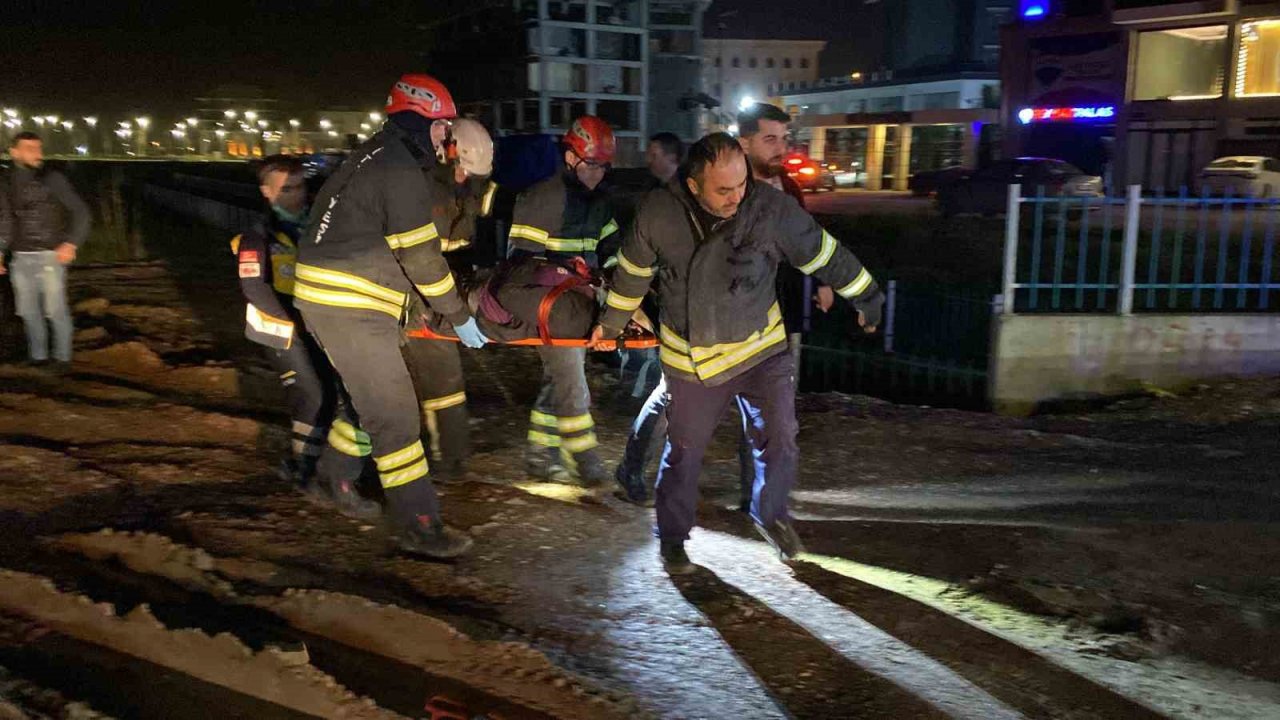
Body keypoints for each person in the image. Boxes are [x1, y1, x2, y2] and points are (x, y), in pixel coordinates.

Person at [591, 133, 884, 573]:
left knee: (780, 439)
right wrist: (610, 325)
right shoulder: (658, 213)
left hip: (761, 350)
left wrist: (868, 298)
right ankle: (673, 536)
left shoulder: (770, 209)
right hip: (692, 360)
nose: (736, 198)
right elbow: (632, 276)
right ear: (693, 185)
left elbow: (825, 253)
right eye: (723, 191)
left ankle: (771, 514)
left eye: (741, 185)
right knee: (684, 452)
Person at [293, 73, 489, 559]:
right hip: (349, 305)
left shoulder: (375, 156)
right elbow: (421, 259)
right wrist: (459, 316)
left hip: (337, 299)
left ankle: (330, 481)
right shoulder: (400, 169)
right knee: (397, 415)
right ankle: (418, 524)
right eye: (445, 129)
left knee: (370, 405)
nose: (449, 140)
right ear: (425, 122)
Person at [508, 115, 619, 486]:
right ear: (571, 158)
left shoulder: (599, 203)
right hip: (550, 307)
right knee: (572, 382)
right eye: (591, 165)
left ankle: (539, 455)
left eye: (604, 167)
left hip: (580, 306)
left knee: (558, 379)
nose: (597, 174)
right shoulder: (543, 199)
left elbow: (611, 250)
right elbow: (521, 264)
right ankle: (584, 458)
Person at [232, 155, 349, 498]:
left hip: (317, 325)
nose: (296, 195)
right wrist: (293, 324)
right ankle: (304, 472)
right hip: (280, 331)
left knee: (330, 393)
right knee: (312, 396)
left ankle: (312, 462)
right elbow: (253, 288)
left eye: (300, 187)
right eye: (286, 189)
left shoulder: (318, 225)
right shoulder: (256, 236)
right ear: (267, 192)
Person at [400, 118, 499, 482]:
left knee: (441, 372)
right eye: (460, 170)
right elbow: (412, 255)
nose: (465, 178)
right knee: (431, 373)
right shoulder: (418, 187)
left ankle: (450, 457)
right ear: (446, 154)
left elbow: (478, 239)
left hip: (444, 283)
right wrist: (422, 304)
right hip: (410, 288)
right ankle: (441, 461)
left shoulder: (478, 184)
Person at [0, 132, 91, 371]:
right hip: (20, 258)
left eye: (39, 148)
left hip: (50, 255)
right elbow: (5, 220)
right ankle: (38, 357)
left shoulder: (52, 178)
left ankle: (62, 359)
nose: (37, 153)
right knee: (28, 312)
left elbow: (81, 212)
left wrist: (71, 243)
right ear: (14, 152)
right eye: (29, 148)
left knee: (55, 310)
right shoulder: (5, 181)